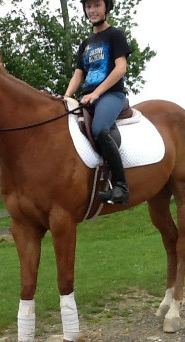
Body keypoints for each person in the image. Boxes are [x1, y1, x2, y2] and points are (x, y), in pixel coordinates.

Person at [64, 0, 132, 205]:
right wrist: (65, 96)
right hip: (87, 96)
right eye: (88, 7)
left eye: (96, 5)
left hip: (111, 95)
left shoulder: (115, 35)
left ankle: (121, 186)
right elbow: (78, 75)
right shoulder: (85, 44)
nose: (92, 11)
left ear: (106, 8)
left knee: (100, 130)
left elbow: (120, 68)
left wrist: (97, 93)